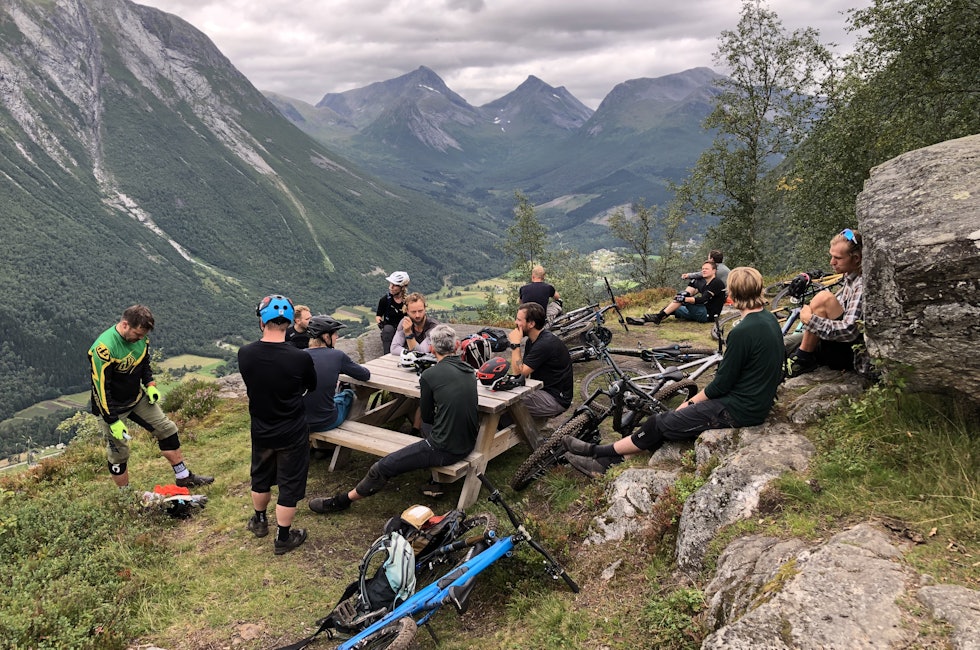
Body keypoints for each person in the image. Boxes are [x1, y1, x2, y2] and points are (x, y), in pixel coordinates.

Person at [563, 266, 784, 476]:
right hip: (754, 400)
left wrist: (689, 403)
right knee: (667, 424)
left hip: (740, 409)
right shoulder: (769, 319)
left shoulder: (743, 331)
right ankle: (609, 462)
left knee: (659, 422)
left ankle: (597, 452)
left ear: (734, 293)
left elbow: (721, 384)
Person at [308, 324, 478, 511]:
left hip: (445, 449)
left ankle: (342, 501)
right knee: (427, 430)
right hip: (469, 442)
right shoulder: (469, 371)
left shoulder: (430, 375)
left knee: (383, 466)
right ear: (456, 345)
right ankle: (428, 471)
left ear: (431, 348)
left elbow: (427, 416)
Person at [88, 305, 214, 490]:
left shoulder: (141, 340)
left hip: (136, 398)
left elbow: (144, 363)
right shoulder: (103, 349)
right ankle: (126, 496)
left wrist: (150, 384)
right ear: (125, 325)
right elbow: (100, 388)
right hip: (110, 407)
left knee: (167, 429)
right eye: (137, 334)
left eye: (143, 335)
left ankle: (183, 477)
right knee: (119, 453)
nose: (140, 339)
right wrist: (112, 420)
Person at [238, 294, 318, 555]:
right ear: (287, 323)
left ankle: (259, 521)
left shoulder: (245, 354)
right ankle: (283, 537)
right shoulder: (300, 358)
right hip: (291, 428)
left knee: (260, 475)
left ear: (262, 322)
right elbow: (310, 386)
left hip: (261, 426)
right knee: (290, 482)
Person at [786, 228, 867, 378]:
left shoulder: (861, 285)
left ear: (856, 258)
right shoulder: (849, 277)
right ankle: (798, 357)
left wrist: (811, 320)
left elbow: (850, 330)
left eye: (838, 258)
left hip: (850, 356)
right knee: (781, 344)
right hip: (834, 343)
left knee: (824, 298)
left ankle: (802, 360)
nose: (832, 262)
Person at [506, 302, 574, 420]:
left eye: (519, 320)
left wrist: (515, 345)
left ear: (531, 323)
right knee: (506, 397)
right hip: (541, 391)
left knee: (508, 407)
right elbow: (523, 375)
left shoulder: (545, 344)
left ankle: (528, 436)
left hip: (555, 399)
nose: (516, 323)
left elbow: (519, 373)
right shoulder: (532, 341)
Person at [304, 315, 370, 432]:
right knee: (348, 394)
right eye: (335, 334)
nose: (337, 337)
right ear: (326, 337)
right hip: (326, 421)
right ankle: (354, 428)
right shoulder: (337, 356)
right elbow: (365, 375)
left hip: (299, 423)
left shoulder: (298, 356)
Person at [627, 261, 727, 326]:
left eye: (707, 269)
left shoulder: (716, 283)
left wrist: (684, 299)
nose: (704, 270)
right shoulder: (704, 281)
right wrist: (682, 297)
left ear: (714, 271)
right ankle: (647, 319)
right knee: (675, 308)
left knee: (683, 298)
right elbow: (691, 290)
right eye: (703, 269)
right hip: (700, 310)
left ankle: (657, 317)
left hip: (708, 315)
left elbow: (703, 299)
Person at [376, 271, 410, 354]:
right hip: (390, 329)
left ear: (402, 287)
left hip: (404, 329)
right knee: (387, 330)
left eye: (394, 285)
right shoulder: (385, 300)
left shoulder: (408, 301)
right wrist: (381, 324)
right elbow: (378, 315)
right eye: (391, 284)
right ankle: (387, 355)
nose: (390, 287)